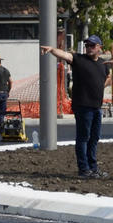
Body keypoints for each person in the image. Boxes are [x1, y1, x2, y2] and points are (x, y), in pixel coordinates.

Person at [41, 35, 111, 178]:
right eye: (87, 45)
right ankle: (84, 169)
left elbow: (107, 77)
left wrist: (100, 87)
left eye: (92, 45)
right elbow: (66, 55)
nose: (88, 48)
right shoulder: (79, 59)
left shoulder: (103, 64)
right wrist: (52, 49)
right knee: (83, 138)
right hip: (83, 106)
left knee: (94, 138)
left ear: (99, 47)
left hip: (97, 107)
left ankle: (93, 168)